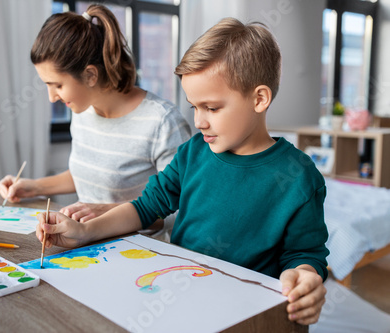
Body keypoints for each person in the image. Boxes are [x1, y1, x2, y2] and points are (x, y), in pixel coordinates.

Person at [35, 17, 329, 325]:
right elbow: (145, 207)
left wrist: (305, 276)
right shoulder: (194, 151)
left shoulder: (298, 175)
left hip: (246, 315)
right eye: (194, 107)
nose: (200, 121)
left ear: (259, 99)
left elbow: (305, 254)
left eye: (212, 108)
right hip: (178, 299)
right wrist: (84, 231)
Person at [0, 4, 191, 227]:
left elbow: (181, 212)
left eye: (57, 85)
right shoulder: (82, 110)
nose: (52, 97)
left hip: (141, 253)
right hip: (87, 245)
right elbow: (89, 174)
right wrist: (33, 187)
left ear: (90, 75)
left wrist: (105, 213)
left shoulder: (163, 123)